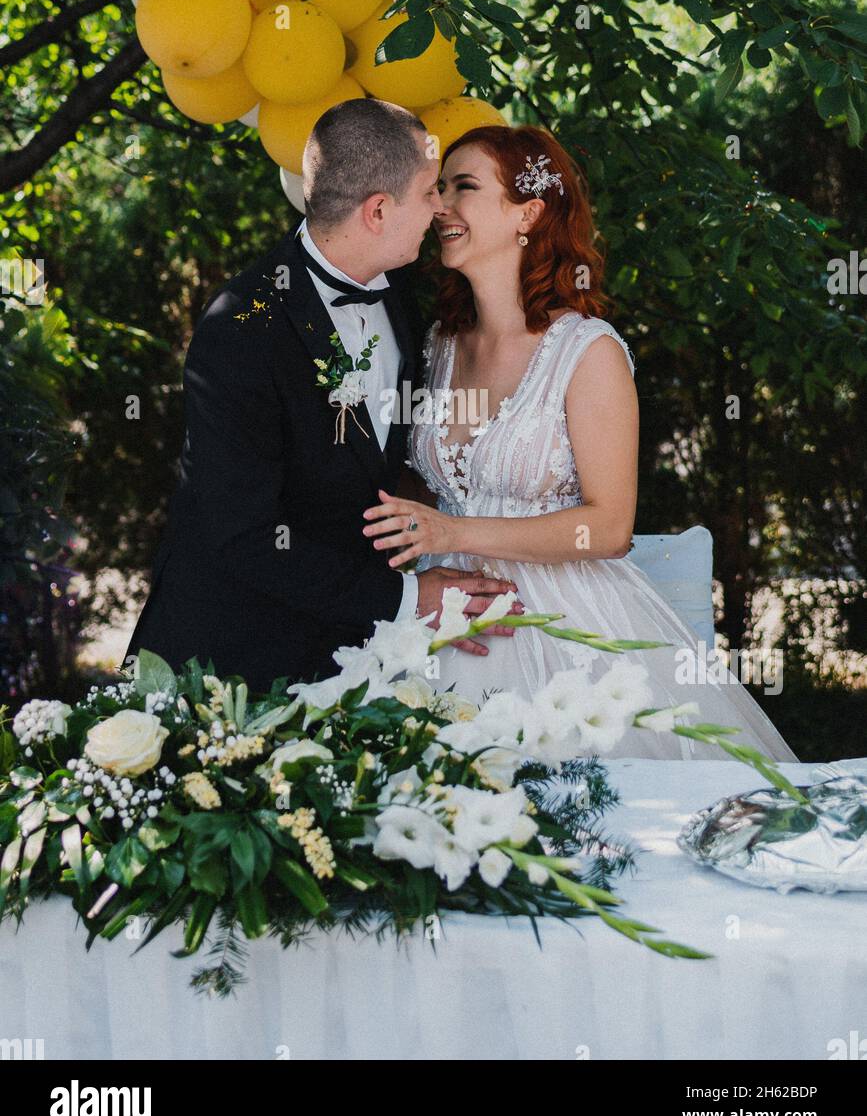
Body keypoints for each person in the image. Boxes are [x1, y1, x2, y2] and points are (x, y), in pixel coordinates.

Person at [361, 124, 798, 762]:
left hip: (565, 620)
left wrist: (454, 534)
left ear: (528, 214)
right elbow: (433, 488)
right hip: (444, 608)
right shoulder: (439, 344)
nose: (440, 206)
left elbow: (611, 525)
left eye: (464, 188)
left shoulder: (587, 352)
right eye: (439, 188)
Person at [125, 99, 519, 692]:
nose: (440, 207)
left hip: (351, 650)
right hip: (230, 665)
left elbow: (375, 467)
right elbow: (246, 535)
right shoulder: (240, 327)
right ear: (379, 210)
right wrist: (411, 596)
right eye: (428, 191)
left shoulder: (403, 292)